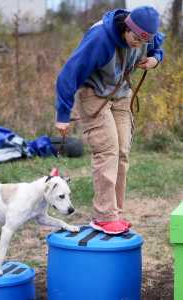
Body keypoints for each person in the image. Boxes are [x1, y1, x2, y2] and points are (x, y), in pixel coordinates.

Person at [54, 6, 164, 234]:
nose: (138, 43)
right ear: (128, 27)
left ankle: (115, 213)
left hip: (121, 95)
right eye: (135, 37)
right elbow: (68, 74)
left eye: (143, 40)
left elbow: (156, 48)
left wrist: (155, 59)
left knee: (123, 152)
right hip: (94, 94)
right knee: (108, 150)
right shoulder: (100, 38)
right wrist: (63, 115)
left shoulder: (145, 36)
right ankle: (103, 217)